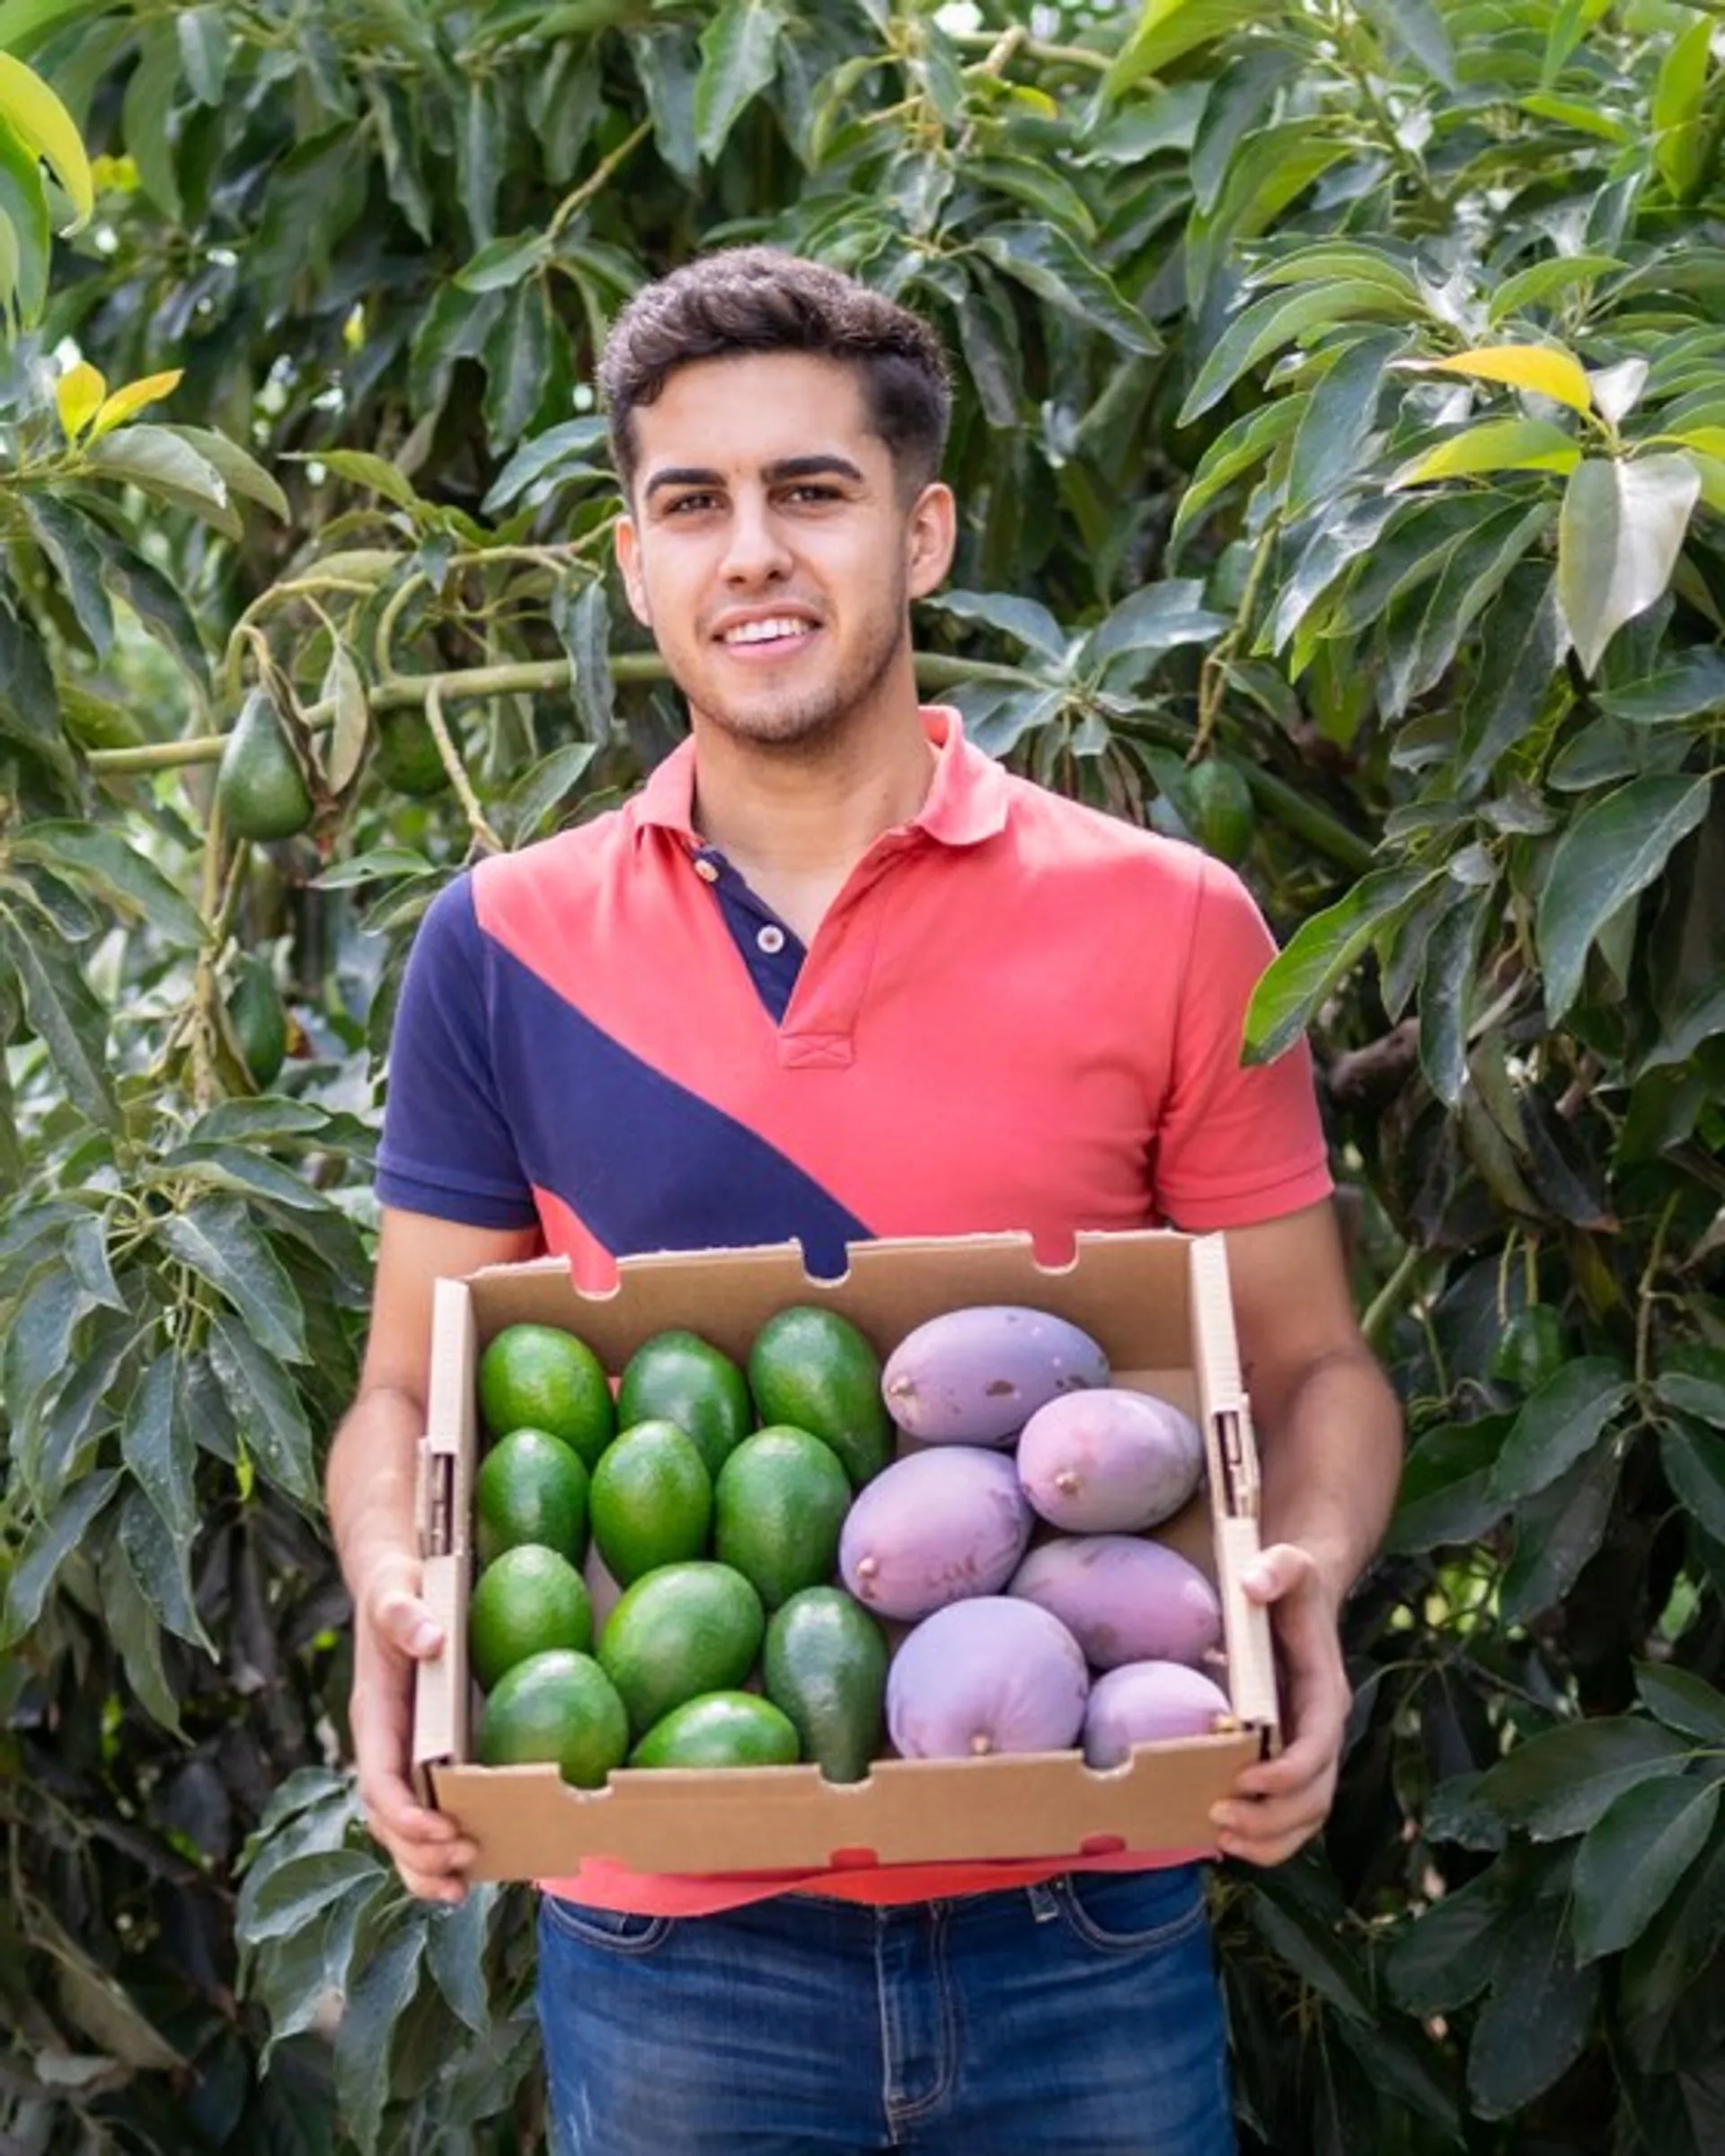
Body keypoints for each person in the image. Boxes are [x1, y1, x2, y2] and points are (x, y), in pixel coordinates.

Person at [326, 247, 1404, 2154]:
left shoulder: (1168, 926)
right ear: (635, 562)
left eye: (811, 493)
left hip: (1083, 1905)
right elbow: (412, 1396)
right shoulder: (498, 947)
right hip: (670, 1948)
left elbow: (1316, 1370)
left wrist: (1299, 1580)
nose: (752, 553)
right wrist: (390, 1606)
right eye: (694, 505)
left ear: (922, 535)